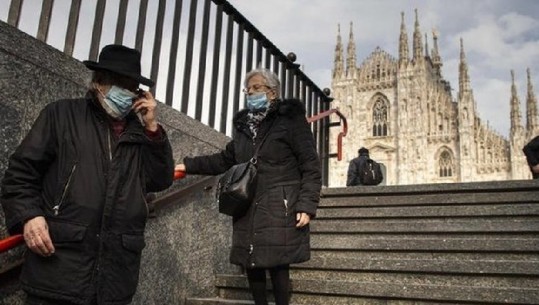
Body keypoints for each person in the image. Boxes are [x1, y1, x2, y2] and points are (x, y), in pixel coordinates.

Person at [1, 44, 174, 305]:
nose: (125, 92)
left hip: (115, 280)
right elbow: (21, 173)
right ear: (99, 82)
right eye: (118, 83)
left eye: (131, 86)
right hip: (58, 271)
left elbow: (161, 179)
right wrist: (28, 216)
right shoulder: (61, 114)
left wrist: (152, 128)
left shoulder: (141, 134)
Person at [175, 68, 321, 305]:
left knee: (277, 261)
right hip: (248, 201)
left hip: (279, 202)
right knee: (251, 259)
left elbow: (310, 164)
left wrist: (307, 204)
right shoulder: (245, 129)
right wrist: (187, 166)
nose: (251, 93)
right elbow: (223, 159)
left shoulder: (291, 122)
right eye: (248, 89)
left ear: (272, 93)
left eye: (257, 88)